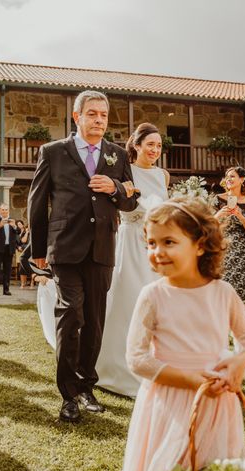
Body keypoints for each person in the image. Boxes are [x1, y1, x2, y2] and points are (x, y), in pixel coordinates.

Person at [121, 198, 245, 471]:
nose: (157, 251)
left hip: (216, 398)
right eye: (151, 243)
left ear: (199, 245)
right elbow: (137, 358)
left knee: (213, 467)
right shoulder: (153, 295)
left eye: (169, 242)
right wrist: (190, 380)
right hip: (169, 398)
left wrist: (238, 363)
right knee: (170, 467)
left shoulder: (222, 293)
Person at [28, 90, 139, 422]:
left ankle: (87, 385)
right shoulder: (53, 152)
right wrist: (38, 251)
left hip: (102, 249)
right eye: (92, 114)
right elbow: (37, 202)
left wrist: (116, 189)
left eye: (104, 115)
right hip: (64, 248)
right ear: (77, 117)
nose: (99, 120)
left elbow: (132, 201)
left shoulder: (117, 155)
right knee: (71, 315)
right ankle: (68, 395)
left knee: (94, 319)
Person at [96, 122, 169, 397]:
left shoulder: (163, 175)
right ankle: (117, 367)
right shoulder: (125, 170)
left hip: (157, 247)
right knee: (129, 300)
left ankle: (158, 364)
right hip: (131, 240)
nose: (155, 150)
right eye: (150, 144)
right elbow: (121, 203)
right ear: (136, 145)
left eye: (159, 145)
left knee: (159, 306)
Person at [214, 166, 245, 301]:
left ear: (242, 179)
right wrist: (218, 215)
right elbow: (206, 224)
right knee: (224, 286)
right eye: (227, 176)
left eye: (232, 176)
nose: (228, 179)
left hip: (243, 250)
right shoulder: (218, 198)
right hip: (223, 248)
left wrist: (240, 216)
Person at [0, 203, 19, 296]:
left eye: (6, 210)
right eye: (3, 210)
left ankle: (6, 289)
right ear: (0, 210)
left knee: (7, 270)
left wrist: (14, 226)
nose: (4, 211)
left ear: (8, 210)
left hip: (9, 248)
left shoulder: (12, 219)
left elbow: (19, 231)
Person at [16, 220, 31, 288]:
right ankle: (23, 283)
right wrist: (18, 247)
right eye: (17, 224)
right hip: (20, 250)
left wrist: (27, 232)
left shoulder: (27, 232)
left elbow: (25, 241)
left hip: (28, 250)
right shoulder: (18, 232)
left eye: (20, 224)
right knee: (21, 266)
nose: (19, 225)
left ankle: (32, 283)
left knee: (30, 266)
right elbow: (16, 241)